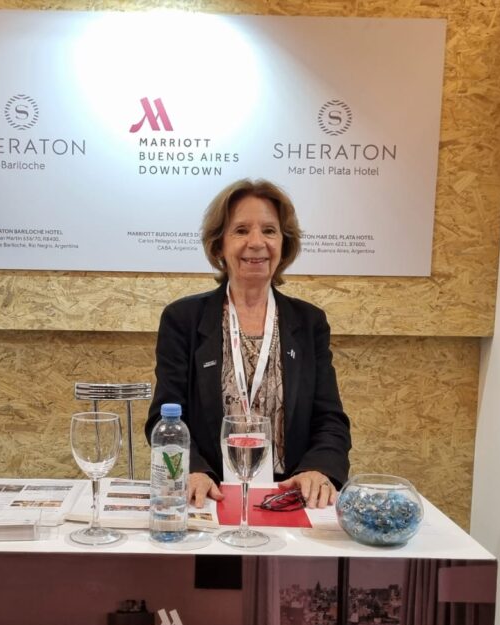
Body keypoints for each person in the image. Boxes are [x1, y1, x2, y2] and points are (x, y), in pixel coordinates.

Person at [145, 179, 352, 509]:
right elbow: (164, 416)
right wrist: (192, 470)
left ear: (284, 243)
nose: (256, 243)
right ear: (218, 246)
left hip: (289, 495)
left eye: (269, 231)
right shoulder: (183, 319)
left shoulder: (309, 322)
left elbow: (330, 419)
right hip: (210, 495)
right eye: (241, 230)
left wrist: (319, 469)